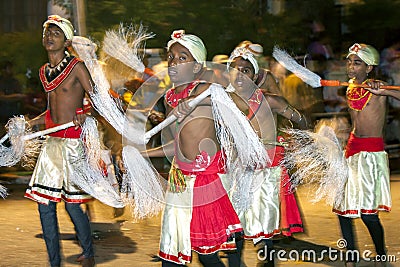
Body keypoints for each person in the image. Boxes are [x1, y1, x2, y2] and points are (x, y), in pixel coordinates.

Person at [145, 29, 244, 267]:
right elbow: (175, 147)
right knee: (171, 251)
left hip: (205, 181)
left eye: (182, 57)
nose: (174, 62)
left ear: (197, 66)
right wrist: (142, 154)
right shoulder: (170, 97)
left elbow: (239, 102)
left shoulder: (205, 90)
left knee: (207, 257)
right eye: (171, 57)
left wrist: (205, 96)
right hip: (179, 180)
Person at [225, 43, 307, 267]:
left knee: (263, 235)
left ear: (255, 75)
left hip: (266, 174)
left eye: (246, 70)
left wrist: (293, 138)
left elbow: (300, 119)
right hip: (237, 173)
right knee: (235, 231)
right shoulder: (222, 102)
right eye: (234, 69)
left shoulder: (269, 100)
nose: (239, 75)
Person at [22, 15, 95, 267]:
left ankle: (88, 249)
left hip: (74, 143)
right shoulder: (45, 72)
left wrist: (85, 114)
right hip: (52, 144)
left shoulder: (77, 67)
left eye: (55, 33)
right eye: (46, 33)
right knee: (44, 203)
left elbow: (97, 102)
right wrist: (30, 124)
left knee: (73, 206)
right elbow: (52, 113)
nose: (49, 37)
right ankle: (54, 262)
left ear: (66, 41)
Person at [332, 43, 400, 266]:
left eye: (357, 63)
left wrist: (384, 89)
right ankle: (351, 256)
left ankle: (381, 255)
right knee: (342, 208)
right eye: (349, 62)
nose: (351, 67)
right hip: (352, 150)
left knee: (368, 214)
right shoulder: (351, 86)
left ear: (370, 68)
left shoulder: (377, 88)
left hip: (371, 155)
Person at [0, 60, 25, 133]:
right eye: (9, 68)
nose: (11, 70)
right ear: (3, 69)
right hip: (2, 113)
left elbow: (21, 96)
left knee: (14, 134)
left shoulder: (15, 81)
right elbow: (1, 97)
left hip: (14, 112)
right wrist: (15, 96)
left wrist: (10, 97)